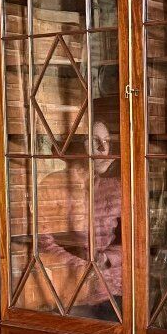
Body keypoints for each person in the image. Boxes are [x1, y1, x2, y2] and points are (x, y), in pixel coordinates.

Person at [29, 119, 123, 317]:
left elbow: (134, 242)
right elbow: (42, 242)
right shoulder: (53, 184)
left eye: (107, 141)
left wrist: (107, 258)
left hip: (114, 290)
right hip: (71, 293)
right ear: (76, 145)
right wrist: (84, 268)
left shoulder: (115, 187)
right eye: (94, 141)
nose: (102, 149)